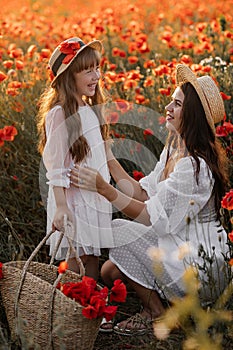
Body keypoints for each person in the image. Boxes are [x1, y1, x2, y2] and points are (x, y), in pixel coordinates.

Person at [69, 64, 229, 335]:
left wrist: (106, 190)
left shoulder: (194, 166)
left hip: (199, 267)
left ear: (193, 116)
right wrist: (108, 157)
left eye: (177, 104)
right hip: (175, 247)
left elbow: (150, 216)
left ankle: (158, 313)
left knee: (118, 232)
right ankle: (166, 299)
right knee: (110, 272)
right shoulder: (173, 149)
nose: (168, 107)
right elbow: (144, 194)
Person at [37, 37, 114, 281]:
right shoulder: (59, 114)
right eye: (88, 71)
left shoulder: (88, 109)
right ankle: (70, 310)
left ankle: (90, 313)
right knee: (76, 260)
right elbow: (56, 166)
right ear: (69, 77)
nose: (96, 76)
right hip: (73, 201)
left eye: (97, 69)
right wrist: (61, 206)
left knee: (91, 258)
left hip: (92, 196)